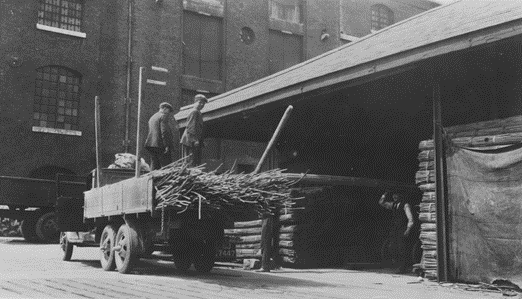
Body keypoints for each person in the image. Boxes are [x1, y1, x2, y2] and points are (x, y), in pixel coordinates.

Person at [378, 191, 415, 273]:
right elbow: (381, 203)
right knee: (392, 247)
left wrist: (408, 229)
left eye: (397, 195)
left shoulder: (405, 205)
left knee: (402, 248)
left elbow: (410, 218)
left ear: (400, 196)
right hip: (395, 229)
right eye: (394, 195)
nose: (395, 197)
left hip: (403, 228)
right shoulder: (393, 205)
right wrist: (384, 194)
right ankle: (398, 264)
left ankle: (403, 267)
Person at [144, 102, 175, 170]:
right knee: (166, 166)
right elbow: (164, 131)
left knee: (154, 165)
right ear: (164, 108)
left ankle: (153, 180)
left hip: (151, 145)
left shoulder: (153, 117)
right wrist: (166, 145)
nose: (168, 113)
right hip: (160, 145)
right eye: (168, 111)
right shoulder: (163, 116)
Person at [180, 94, 207, 166]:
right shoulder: (194, 112)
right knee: (189, 161)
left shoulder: (198, 112)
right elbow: (191, 126)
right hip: (189, 141)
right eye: (200, 102)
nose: (201, 105)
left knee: (194, 161)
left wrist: (201, 140)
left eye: (203, 103)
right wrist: (194, 140)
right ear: (195, 102)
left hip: (192, 140)